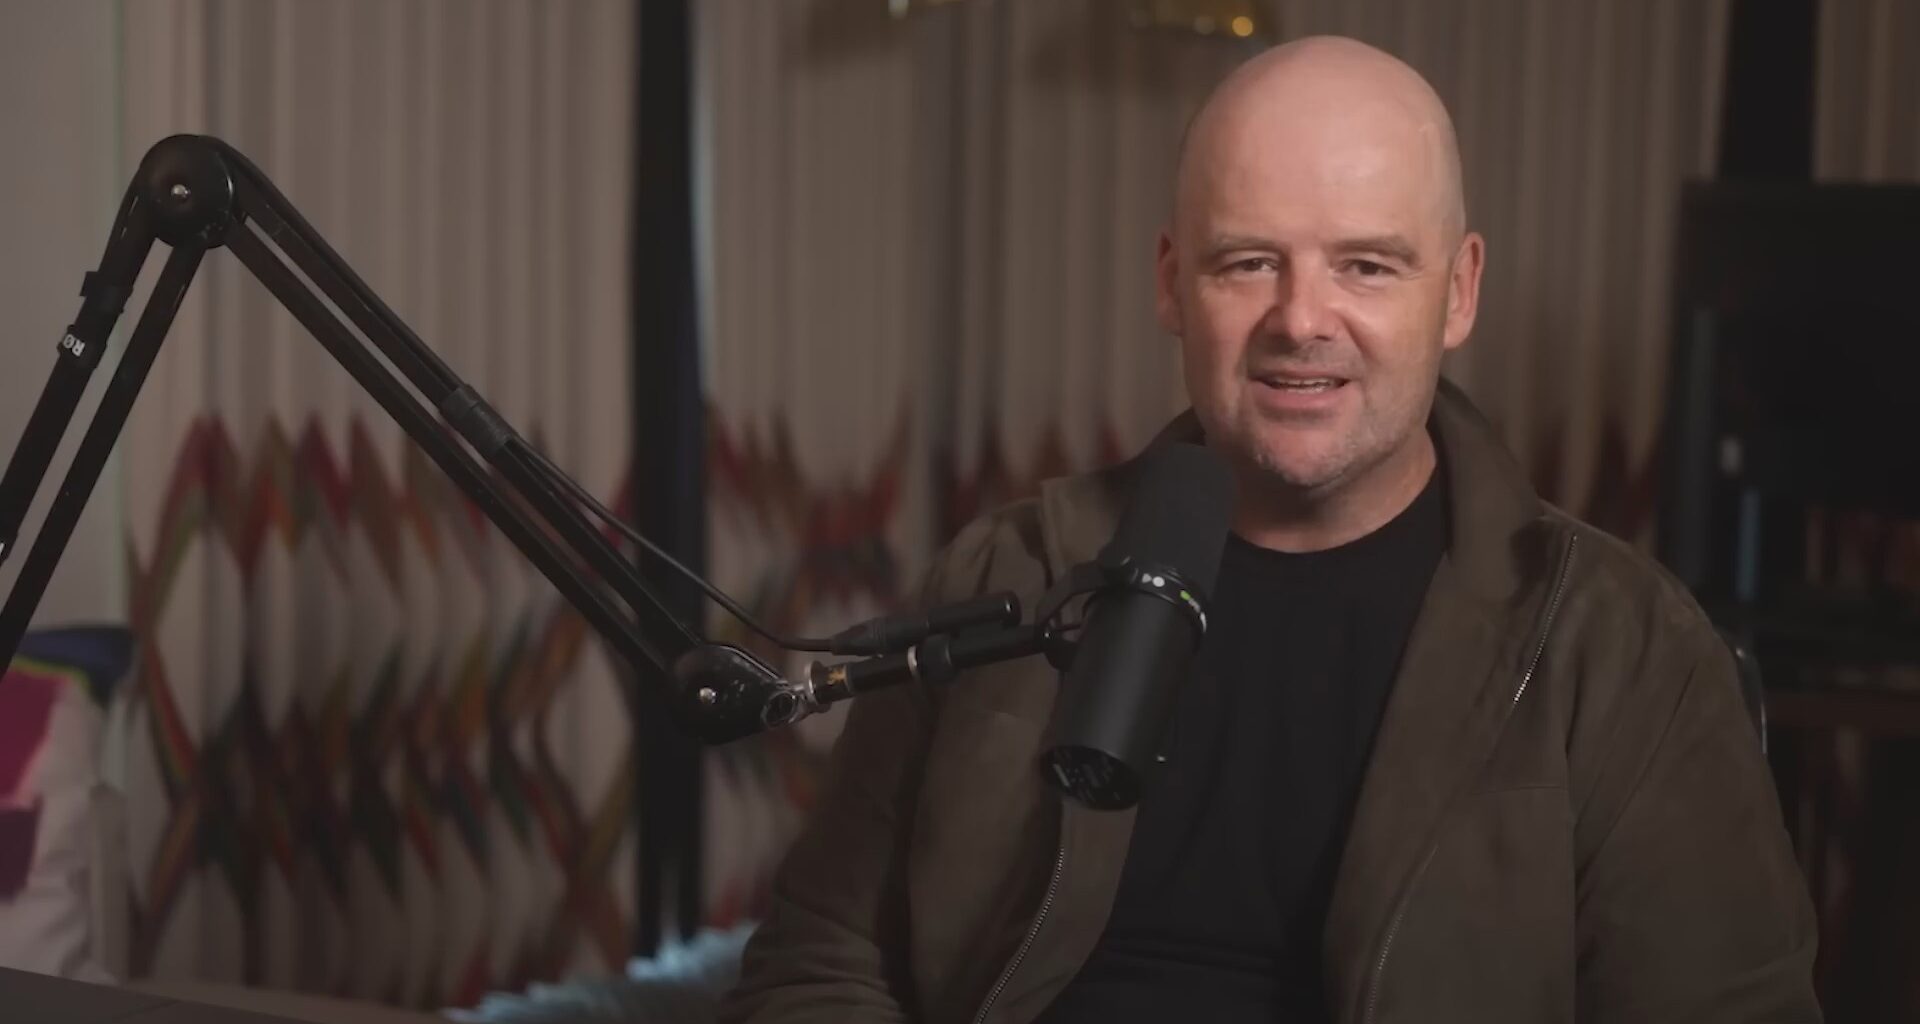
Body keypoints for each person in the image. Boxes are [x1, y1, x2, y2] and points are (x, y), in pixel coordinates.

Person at [720, 36, 1820, 1024]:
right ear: (1171, 284)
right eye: (1248, 261)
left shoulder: (1620, 646)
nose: (1300, 319)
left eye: (1367, 265)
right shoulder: (1010, 571)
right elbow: (817, 964)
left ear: (1458, 291)